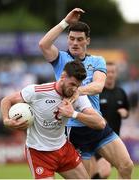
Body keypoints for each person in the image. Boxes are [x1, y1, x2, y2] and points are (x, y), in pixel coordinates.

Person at [39, 8, 133, 178]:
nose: (75, 43)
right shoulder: (60, 59)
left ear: (87, 41)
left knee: (126, 166)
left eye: (80, 39)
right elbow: (43, 44)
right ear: (68, 39)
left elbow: (98, 86)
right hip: (74, 131)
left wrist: (77, 90)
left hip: (96, 124)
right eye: (72, 39)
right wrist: (65, 22)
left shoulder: (97, 60)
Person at [0, 60, 106, 179]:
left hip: (63, 149)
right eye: (72, 84)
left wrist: (73, 114)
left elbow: (100, 123)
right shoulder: (37, 91)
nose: (74, 89)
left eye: (77, 85)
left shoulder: (77, 96)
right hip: (38, 153)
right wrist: (6, 120)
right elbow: (6, 100)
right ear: (63, 76)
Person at [92, 62, 130, 179]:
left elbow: (127, 110)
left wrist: (125, 113)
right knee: (105, 171)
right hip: (99, 139)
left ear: (116, 74)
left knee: (126, 167)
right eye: (107, 72)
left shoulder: (121, 92)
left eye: (113, 72)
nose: (110, 74)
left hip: (115, 138)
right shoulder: (97, 92)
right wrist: (99, 118)